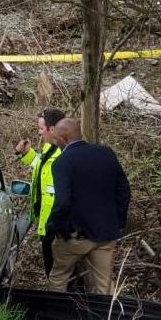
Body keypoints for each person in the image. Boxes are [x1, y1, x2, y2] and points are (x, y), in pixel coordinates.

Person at [46, 118, 131, 294]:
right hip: (105, 234)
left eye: (56, 139)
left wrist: (52, 228)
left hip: (74, 236)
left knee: (59, 277)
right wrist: (119, 221)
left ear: (64, 138)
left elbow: (62, 202)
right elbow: (124, 190)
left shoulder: (62, 162)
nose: (56, 143)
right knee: (103, 284)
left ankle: (55, 318)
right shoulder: (106, 153)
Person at [15, 107, 66, 277]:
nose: (39, 133)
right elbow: (41, 166)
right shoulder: (49, 149)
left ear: (52, 130)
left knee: (57, 275)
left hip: (57, 228)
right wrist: (27, 154)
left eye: (41, 129)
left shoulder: (64, 155)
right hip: (47, 224)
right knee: (52, 272)